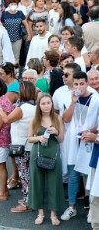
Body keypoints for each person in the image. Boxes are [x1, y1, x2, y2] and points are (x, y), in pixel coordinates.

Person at [61, 71, 99, 221]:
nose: (78, 86)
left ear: (87, 83)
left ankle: (91, 209)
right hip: (73, 141)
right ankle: (71, 207)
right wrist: (73, 102)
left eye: (81, 83)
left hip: (89, 140)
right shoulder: (71, 98)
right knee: (73, 174)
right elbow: (66, 119)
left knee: (89, 176)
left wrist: (90, 131)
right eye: (76, 84)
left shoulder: (96, 98)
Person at [0, 81, 37, 213]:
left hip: (22, 147)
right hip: (30, 146)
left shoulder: (22, 108)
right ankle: (31, 199)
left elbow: (7, 119)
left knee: (24, 175)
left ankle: (26, 203)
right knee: (29, 174)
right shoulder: (33, 106)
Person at [27, 94, 65, 226]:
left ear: (52, 104)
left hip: (53, 154)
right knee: (37, 183)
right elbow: (29, 138)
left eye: (48, 103)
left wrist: (55, 132)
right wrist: (39, 138)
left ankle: (54, 214)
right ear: (39, 105)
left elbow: (61, 139)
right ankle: (40, 213)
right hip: (37, 154)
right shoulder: (34, 120)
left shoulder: (57, 118)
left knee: (54, 183)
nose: (46, 105)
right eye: (43, 103)